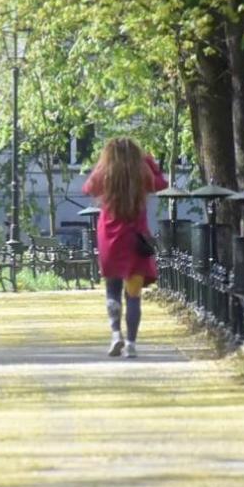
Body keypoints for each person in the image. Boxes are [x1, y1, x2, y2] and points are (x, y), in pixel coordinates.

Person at [82, 137, 167, 358]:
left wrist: (102, 166)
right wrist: (148, 161)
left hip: (110, 239)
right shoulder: (142, 173)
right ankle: (131, 344)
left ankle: (115, 334)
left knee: (112, 289)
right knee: (133, 295)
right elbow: (161, 183)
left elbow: (88, 188)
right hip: (135, 241)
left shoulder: (106, 173)